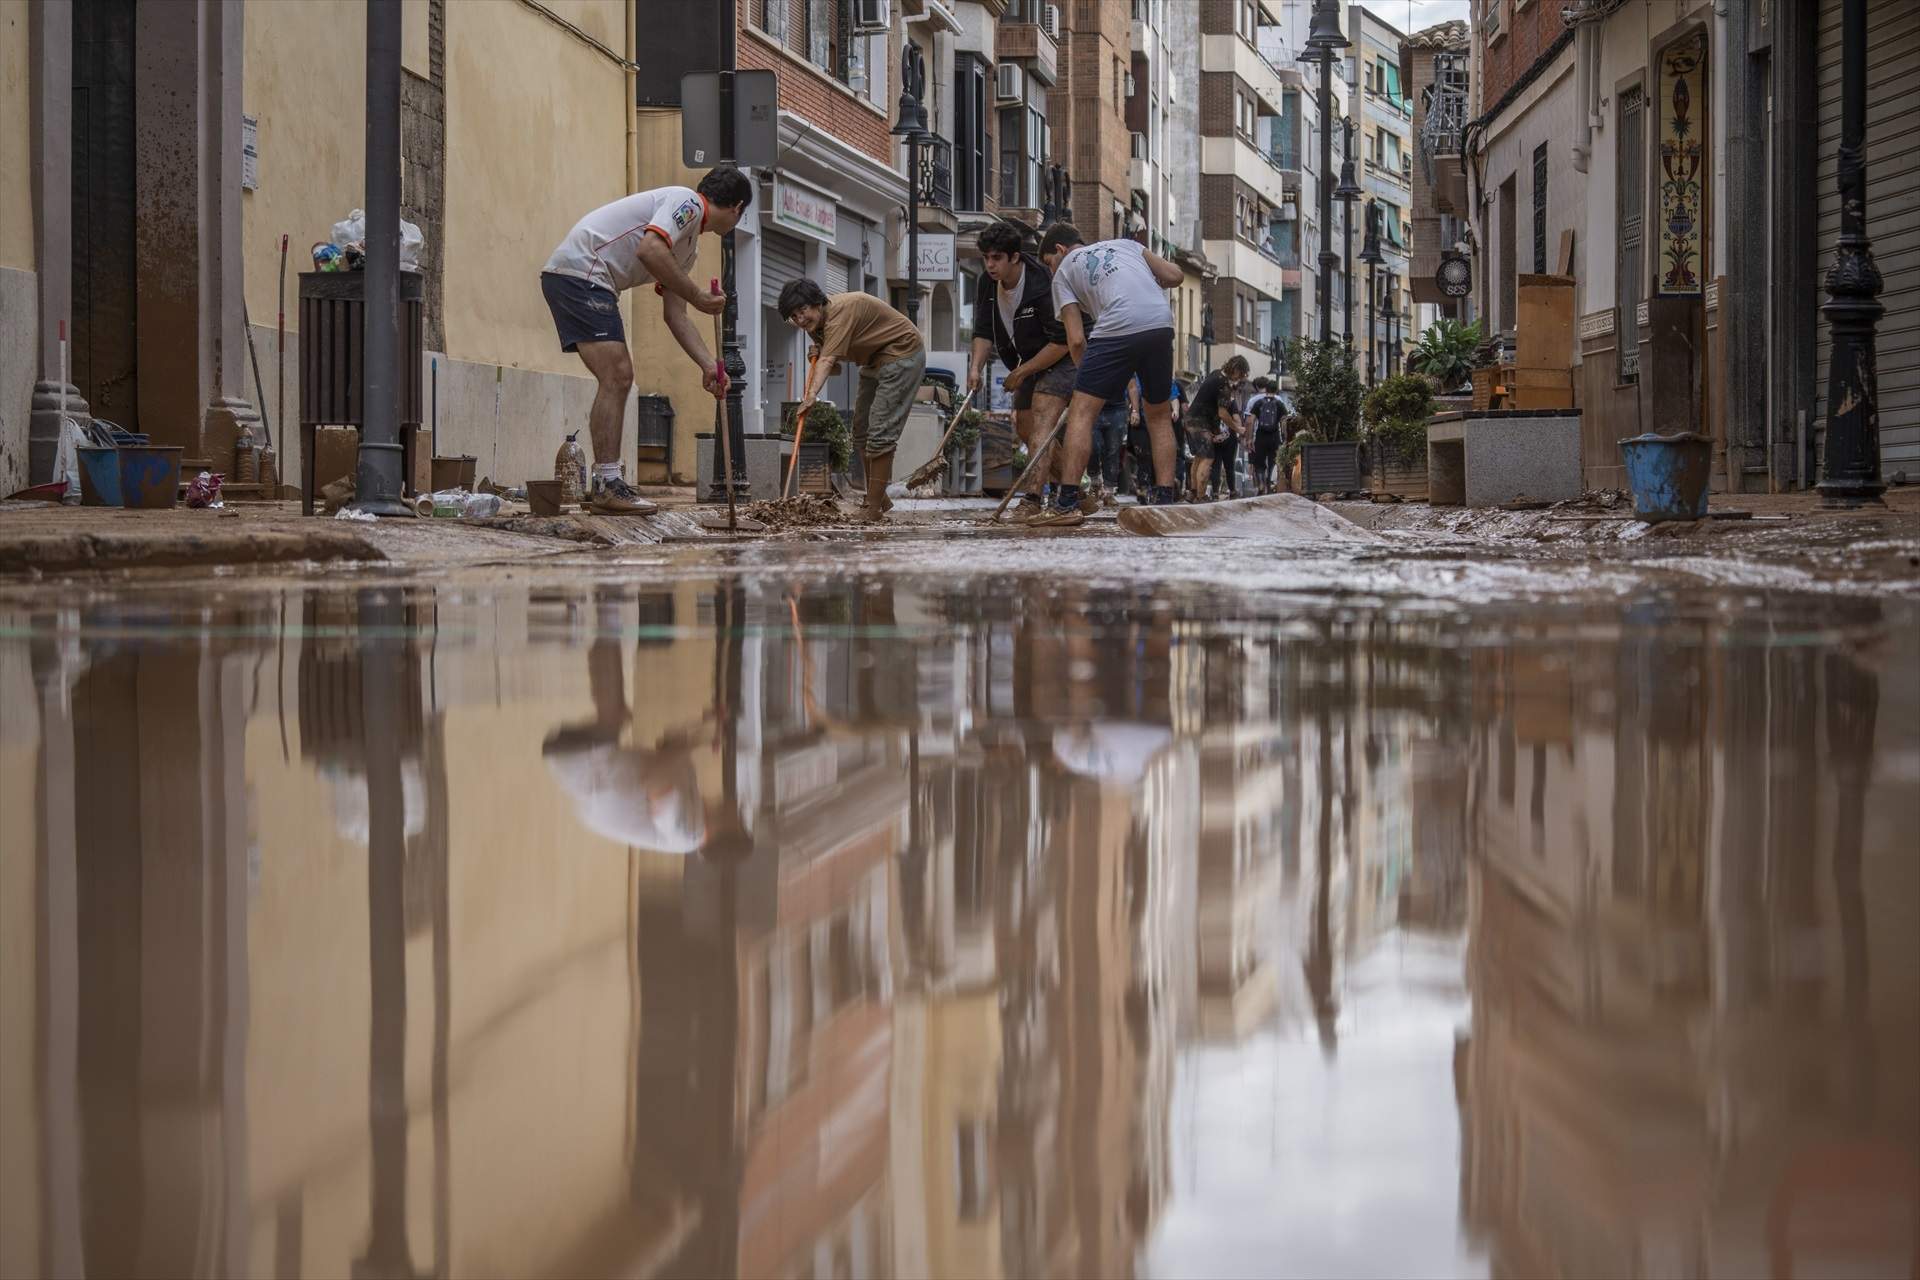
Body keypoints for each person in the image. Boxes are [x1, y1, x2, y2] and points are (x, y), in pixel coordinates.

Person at [542, 168, 751, 514]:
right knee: (619, 376)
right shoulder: (687, 202)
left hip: (586, 279)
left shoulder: (687, 248)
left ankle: (608, 483)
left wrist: (707, 365)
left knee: (617, 377)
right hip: (582, 273)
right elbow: (650, 249)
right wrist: (699, 295)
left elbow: (675, 315)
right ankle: (608, 484)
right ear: (737, 206)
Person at [1033, 223, 1186, 528]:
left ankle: (1066, 504)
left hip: (1116, 326)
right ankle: (1164, 501)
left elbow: (1075, 340)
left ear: (1061, 250)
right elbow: (1175, 276)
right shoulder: (1127, 245)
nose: (1052, 271)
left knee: (1081, 413)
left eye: (1049, 263)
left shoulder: (1064, 274)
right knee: (1157, 414)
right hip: (1159, 322)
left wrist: (1086, 378)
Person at [782, 280, 926, 523]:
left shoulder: (840, 313)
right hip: (873, 360)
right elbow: (835, 366)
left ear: (817, 302)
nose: (800, 320)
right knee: (860, 431)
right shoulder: (815, 325)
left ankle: (872, 509)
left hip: (902, 352)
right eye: (794, 316)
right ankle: (879, 498)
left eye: (803, 310)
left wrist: (810, 396)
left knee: (880, 432)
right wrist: (816, 356)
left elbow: (828, 363)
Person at [967, 222, 1076, 515]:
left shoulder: (1043, 281)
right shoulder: (986, 283)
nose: (990, 265)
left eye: (997, 258)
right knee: (1027, 429)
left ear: (1014, 257)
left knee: (1042, 415)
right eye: (986, 258)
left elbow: (1062, 341)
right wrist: (975, 368)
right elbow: (983, 330)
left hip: (1062, 356)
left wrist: (1022, 371)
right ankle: (1075, 489)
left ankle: (1032, 499)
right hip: (1026, 361)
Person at [1184, 355, 1249, 502]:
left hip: (1191, 420)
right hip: (1200, 423)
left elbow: (1210, 405)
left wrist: (1216, 430)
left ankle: (1192, 492)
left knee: (1199, 457)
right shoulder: (1223, 384)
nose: (1239, 379)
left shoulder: (1215, 373)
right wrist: (1237, 429)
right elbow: (1223, 413)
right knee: (1208, 458)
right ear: (1236, 369)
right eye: (1241, 374)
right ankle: (1201, 497)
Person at [1243, 377, 1289, 494]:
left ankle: (1261, 484)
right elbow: (1284, 421)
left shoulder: (1258, 402)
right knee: (1273, 460)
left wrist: (1249, 439)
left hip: (1260, 435)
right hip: (1274, 435)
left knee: (1259, 462)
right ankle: (1269, 481)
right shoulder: (1279, 402)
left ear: (1266, 389)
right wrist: (1285, 436)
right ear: (1276, 390)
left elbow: (1251, 421)